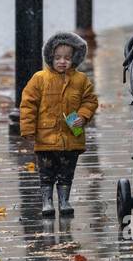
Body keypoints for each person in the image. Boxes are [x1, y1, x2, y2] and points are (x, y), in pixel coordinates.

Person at [19, 31, 98, 218]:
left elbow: (90, 101)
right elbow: (28, 103)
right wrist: (28, 129)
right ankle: (47, 201)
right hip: (45, 137)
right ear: (50, 57)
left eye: (67, 58)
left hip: (71, 137)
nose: (62, 62)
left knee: (66, 172)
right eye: (58, 58)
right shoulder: (40, 78)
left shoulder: (81, 80)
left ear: (74, 59)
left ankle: (64, 200)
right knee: (46, 172)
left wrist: (83, 116)